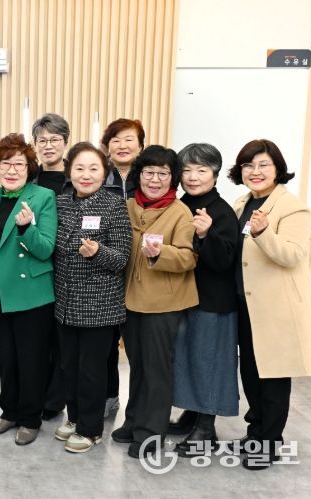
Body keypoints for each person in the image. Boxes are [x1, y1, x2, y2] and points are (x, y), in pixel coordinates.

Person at [227, 139, 311, 470]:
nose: (256, 171)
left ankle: (269, 443)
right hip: (246, 304)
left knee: (273, 378)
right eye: (248, 165)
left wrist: (264, 233)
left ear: (278, 168)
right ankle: (255, 433)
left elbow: (292, 254)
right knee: (250, 373)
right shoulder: (242, 203)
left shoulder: (293, 208)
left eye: (263, 164)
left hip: (276, 309)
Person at [109, 145, 198, 459]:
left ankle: (151, 434)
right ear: (139, 174)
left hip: (163, 303)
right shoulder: (128, 206)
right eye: (149, 172)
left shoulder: (180, 212)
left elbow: (188, 257)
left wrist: (161, 254)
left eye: (163, 173)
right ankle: (134, 421)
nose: (155, 179)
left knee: (157, 370)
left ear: (173, 178)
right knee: (137, 366)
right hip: (129, 300)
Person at [53, 142, 132, 453]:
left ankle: (90, 429)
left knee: (91, 371)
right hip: (64, 301)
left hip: (99, 305)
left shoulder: (114, 206)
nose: (86, 175)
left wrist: (98, 252)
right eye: (79, 168)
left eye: (93, 168)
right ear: (69, 171)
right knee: (69, 367)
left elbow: (122, 258)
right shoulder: (60, 202)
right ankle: (74, 418)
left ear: (104, 172)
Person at [0, 133, 57, 445]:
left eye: (19, 164)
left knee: (32, 361)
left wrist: (27, 228)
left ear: (30, 169)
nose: (12, 170)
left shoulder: (43, 197)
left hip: (32, 294)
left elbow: (46, 248)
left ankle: (30, 417)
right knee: (7, 359)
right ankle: (9, 411)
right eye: (5, 164)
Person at [170, 143, 239, 456]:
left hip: (214, 303)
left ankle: (205, 431)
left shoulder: (220, 211)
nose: (193, 177)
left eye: (202, 170)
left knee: (208, 363)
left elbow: (224, 261)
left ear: (215, 174)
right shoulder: (182, 205)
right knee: (188, 359)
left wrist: (205, 235)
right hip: (186, 298)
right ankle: (192, 414)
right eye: (187, 170)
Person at [100, 118, 145, 418]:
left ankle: (141, 407)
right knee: (105, 342)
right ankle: (108, 396)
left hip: (142, 271)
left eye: (129, 139)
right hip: (106, 268)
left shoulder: (149, 177)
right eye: (115, 140)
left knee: (139, 345)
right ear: (107, 147)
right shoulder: (100, 176)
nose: (122, 145)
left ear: (140, 145)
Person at [30, 113, 69, 420]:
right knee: (40, 340)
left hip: (70, 269)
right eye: (42, 140)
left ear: (65, 142)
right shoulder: (29, 179)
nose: (48, 145)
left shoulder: (77, 177)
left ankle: (55, 401)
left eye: (54, 139)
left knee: (63, 340)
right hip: (37, 268)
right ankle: (38, 396)